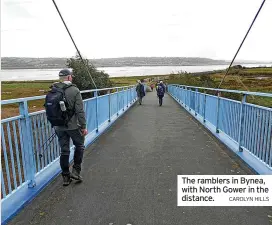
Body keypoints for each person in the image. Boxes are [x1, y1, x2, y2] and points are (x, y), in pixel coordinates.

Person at [46, 69, 87, 186]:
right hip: (73, 126)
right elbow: (80, 111)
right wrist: (83, 126)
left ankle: (65, 177)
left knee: (64, 150)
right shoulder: (74, 90)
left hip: (58, 126)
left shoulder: (53, 90)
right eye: (71, 76)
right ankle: (76, 171)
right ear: (69, 77)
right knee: (79, 145)